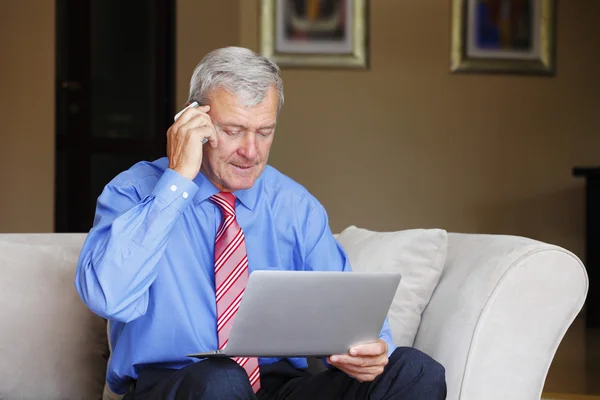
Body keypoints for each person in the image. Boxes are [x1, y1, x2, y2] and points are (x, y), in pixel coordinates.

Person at [75, 46, 446, 400]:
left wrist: (370, 351)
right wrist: (177, 182)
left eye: (264, 132)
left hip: (278, 386)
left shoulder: (295, 206)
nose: (251, 152)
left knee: (415, 370)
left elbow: (354, 321)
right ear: (193, 121)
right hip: (175, 385)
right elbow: (108, 296)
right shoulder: (134, 192)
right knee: (221, 381)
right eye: (233, 131)